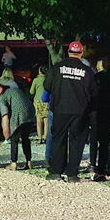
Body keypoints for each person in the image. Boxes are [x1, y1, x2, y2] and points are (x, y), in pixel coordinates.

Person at [43, 41, 97, 182]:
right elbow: (94, 92)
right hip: (80, 111)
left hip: (60, 108)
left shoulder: (57, 67)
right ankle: (72, 174)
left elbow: (47, 86)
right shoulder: (87, 71)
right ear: (81, 53)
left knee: (58, 140)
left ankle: (56, 171)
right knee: (77, 141)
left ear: (68, 52)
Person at [0, 83, 35, 170]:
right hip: (30, 114)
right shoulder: (15, 90)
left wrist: (6, 134)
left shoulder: (2, 98)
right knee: (25, 138)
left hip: (19, 115)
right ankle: (29, 161)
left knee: (14, 139)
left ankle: (13, 163)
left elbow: (5, 116)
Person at [30, 66, 48, 144]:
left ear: (40, 71)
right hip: (47, 101)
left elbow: (31, 92)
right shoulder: (48, 79)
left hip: (38, 101)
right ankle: (45, 137)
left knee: (39, 120)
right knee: (46, 120)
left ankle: (40, 138)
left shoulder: (36, 80)